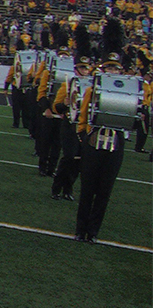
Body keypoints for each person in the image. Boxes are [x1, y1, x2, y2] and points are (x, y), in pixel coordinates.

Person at [74, 52, 127, 242]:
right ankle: (80, 229)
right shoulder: (92, 90)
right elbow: (83, 115)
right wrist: (83, 134)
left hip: (116, 142)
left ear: (120, 71)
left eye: (115, 68)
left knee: (105, 190)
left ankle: (93, 231)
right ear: (103, 70)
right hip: (94, 140)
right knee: (87, 188)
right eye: (109, 68)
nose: (112, 71)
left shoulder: (127, 92)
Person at [50, 55, 92, 201]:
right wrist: (65, 104)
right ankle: (56, 187)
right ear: (76, 69)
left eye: (86, 68)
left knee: (79, 160)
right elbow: (56, 107)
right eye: (82, 68)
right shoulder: (67, 85)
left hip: (84, 126)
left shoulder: (93, 86)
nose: (85, 71)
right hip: (70, 125)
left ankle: (68, 189)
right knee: (69, 157)